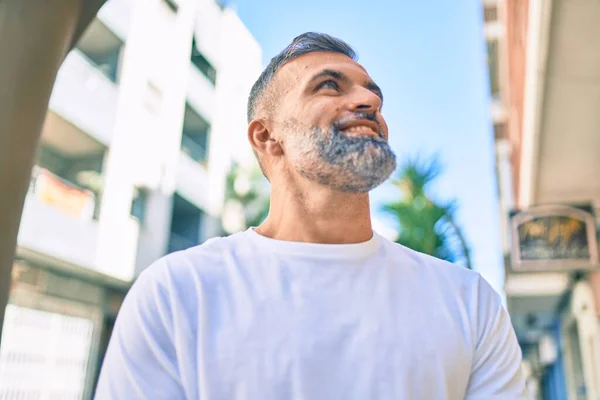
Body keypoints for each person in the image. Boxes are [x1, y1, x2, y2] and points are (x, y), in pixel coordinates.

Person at [95, 32, 528, 399]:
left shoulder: (469, 302)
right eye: (329, 86)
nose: (368, 101)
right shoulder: (176, 293)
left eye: (372, 91)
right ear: (267, 137)